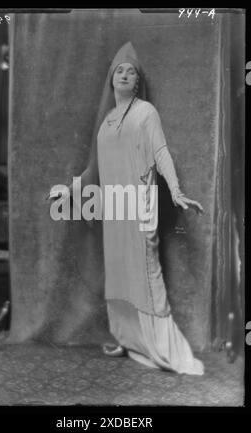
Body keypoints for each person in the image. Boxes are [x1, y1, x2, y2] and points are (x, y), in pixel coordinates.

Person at [49, 42, 204, 375]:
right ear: (111, 79)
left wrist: (176, 191)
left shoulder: (146, 112)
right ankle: (127, 339)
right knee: (118, 277)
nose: (123, 74)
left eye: (130, 71)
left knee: (146, 275)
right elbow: (95, 171)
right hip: (115, 211)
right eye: (118, 70)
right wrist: (69, 190)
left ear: (137, 81)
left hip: (140, 210)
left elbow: (161, 153)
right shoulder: (107, 121)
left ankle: (163, 349)